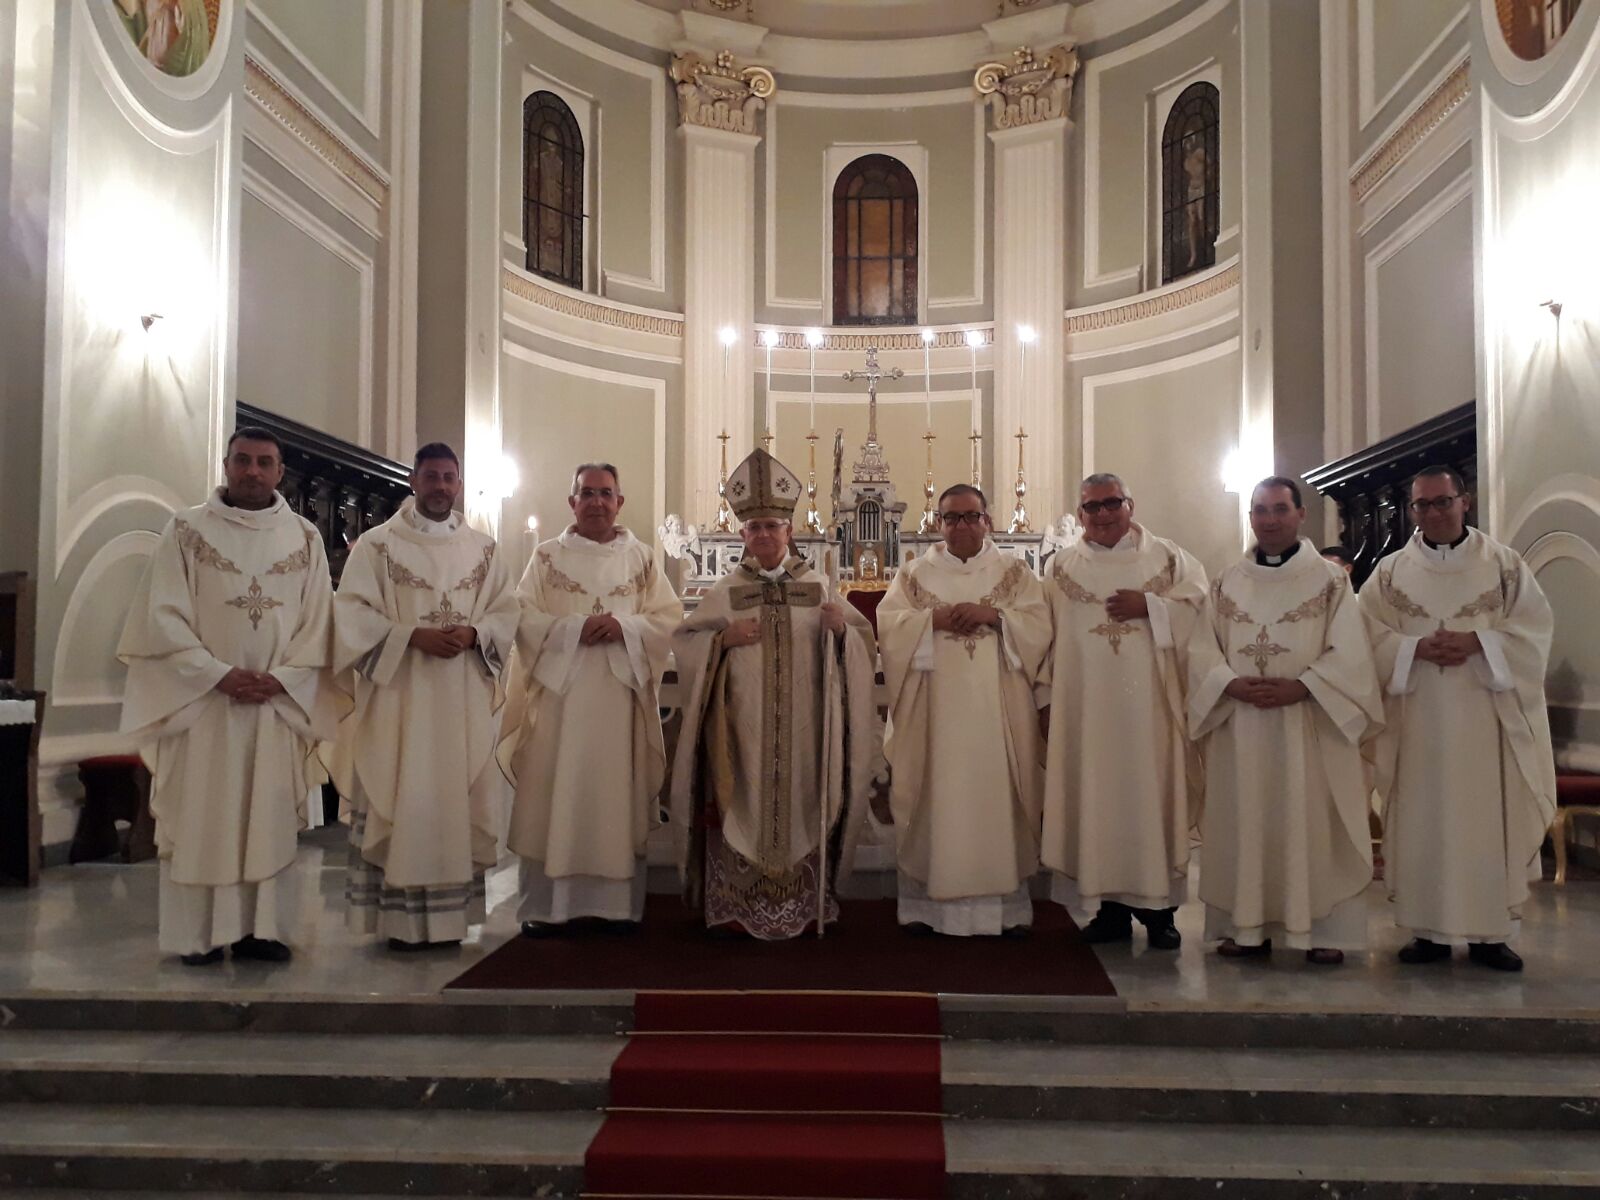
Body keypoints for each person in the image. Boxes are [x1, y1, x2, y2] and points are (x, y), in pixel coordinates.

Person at [118, 427, 338, 965]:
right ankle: (200, 936)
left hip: (274, 708)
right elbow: (161, 616)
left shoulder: (305, 538)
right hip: (206, 707)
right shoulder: (186, 530)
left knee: (266, 818)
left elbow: (319, 623)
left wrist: (283, 679)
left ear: (280, 472)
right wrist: (214, 673)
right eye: (243, 460)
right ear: (226, 465)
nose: (252, 472)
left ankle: (263, 930)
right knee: (204, 819)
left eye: (264, 462)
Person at [669, 448, 877, 939]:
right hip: (741, 732)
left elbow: (862, 642)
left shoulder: (818, 586)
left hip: (806, 729)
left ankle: (801, 905)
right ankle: (738, 907)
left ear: (789, 531)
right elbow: (687, 640)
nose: (763, 534)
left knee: (803, 802)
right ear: (742, 534)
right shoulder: (726, 591)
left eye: (772, 526)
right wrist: (722, 640)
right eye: (754, 527)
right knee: (742, 800)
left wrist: (840, 632)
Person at [1359, 465, 1555, 972]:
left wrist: (1479, 643)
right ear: (1412, 510)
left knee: (1487, 824)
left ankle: (1493, 936)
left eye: (1442, 501)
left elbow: (1534, 631)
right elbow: (1364, 637)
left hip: (1487, 723)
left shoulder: (1504, 565)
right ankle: (1429, 933)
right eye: (1422, 504)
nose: (1433, 513)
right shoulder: (1389, 574)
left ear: (1464, 501)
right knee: (1424, 820)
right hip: (1417, 723)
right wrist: (1412, 649)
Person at [329, 443, 519, 950]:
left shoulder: (484, 550)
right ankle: (400, 924)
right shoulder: (376, 547)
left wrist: (476, 633)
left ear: (460, 484)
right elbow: (351, 615)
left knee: (454, 797)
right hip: (399, 700)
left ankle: (451, 921)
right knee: (401, 788)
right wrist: (411, 637)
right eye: (431, 476)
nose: (440, 486)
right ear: (413, 480)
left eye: (448, 477)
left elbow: (506, 612)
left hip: (460, 699)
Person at [1188, 477, 1384, 965]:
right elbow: (1201, 650)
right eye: (1260, 510)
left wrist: (1305, 686)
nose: (1269, 520)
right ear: (1251, 517)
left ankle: (1320, 930)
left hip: (1308, 724)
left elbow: (1352, 653)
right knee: (1245, 821)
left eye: (1279, 509)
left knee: (1311, 823)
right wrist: (1228, 683)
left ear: (1300, 514)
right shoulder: (1225, 582)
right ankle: (1246, 928)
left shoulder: (1330, 582)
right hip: (1241, 724)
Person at [500, 463, 681, 935]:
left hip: (620, 701)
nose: (596, 502)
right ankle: (549, 908)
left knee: (613, 796)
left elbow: (667, 617)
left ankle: (614, 908)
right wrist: (575, 629)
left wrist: (626, 627)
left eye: (605, 493)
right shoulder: (545, 557)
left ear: (619, 502)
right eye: (587, 493)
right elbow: (522, 615)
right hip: (560, 702)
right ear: (572, 502)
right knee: (556, 793)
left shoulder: (641, 558)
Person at [1038, 473, 1208, 949]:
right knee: (1099, 803)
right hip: (1086, 713)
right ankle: (1109, 912)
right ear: (1080, 515)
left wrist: (1151, 606)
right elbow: (1045, 635)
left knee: (1151, 800)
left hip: (1151, 710)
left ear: (1131, 505)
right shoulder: (1059, 568)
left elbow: (1201, 610)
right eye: (1092, 507)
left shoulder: (1169, 559)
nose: (1103, 514)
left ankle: (1160, 915)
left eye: (1112, 503)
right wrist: (1045, 699)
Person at [877, 484, 1052, 936]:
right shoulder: (914, 574)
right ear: (939, 524)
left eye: (971, 516)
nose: (962, 525)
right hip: (935, 716)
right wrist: (931, 620)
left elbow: (1039, 627)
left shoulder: (1015, 573)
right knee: (937, 797)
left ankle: (1004, 911)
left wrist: (994, 616)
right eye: (951, 517)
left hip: (999, 713)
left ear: (986, 521)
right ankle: (929, 911)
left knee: (997, 798)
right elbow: (889, 626)